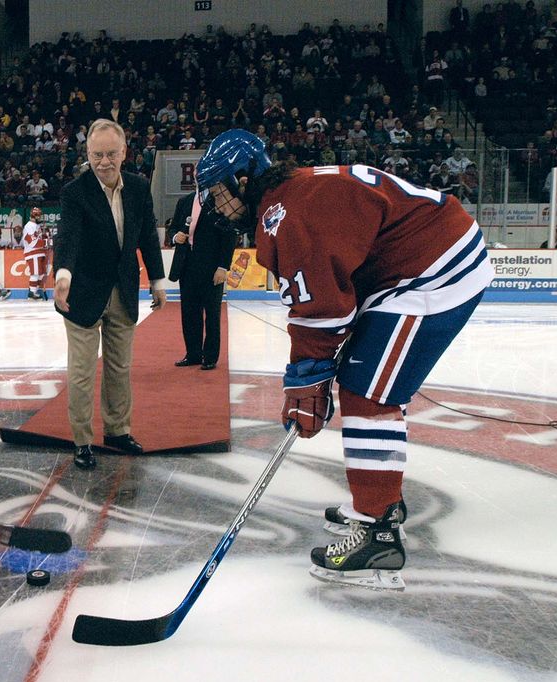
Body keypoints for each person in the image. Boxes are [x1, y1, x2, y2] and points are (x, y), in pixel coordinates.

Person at [194, 129, 492, 589]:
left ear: (242, 180)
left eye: (217, 192)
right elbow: (331, 297)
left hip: (433, 272)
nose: (215, 206)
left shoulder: (286, 215)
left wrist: (307, 381)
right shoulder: (290, 197)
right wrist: (308, 375)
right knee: (363, 381)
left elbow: (324, 310)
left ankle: (378, 535)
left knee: (367, 391)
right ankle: (380, 500)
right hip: (414, 265)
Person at [53, 119, 167, 470]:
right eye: (96, 154)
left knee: (120, 367)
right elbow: (68, 236)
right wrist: (63, 272)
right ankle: (82, 441)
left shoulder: (137, 187)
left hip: (124, 290)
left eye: (110, 154)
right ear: (87, 154)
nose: (103, 162)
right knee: (83, 372)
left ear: (124, 153)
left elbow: (147, 234)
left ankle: (117, 430)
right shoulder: (75, 192)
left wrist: (158, 280)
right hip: (82, 293)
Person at [167, 190, 238, 371]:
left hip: (212, 267)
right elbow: (173, 228)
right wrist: (176, 237)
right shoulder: (185, 201)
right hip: (186, 265)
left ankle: (210, 357)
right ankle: (193, 354)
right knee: (189, 313)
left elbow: (229, 235)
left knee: (212, 314)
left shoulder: (221, 200)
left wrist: (223, 267)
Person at [22, 207, 50, 300]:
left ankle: (33, 291)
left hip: (39, 252)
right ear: (35, 216)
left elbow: (39, 239)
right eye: (39, 216)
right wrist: (46, 242)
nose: (40, 218)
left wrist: (46, 236)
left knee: (41, 274)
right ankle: (32, 293)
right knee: (35, 273)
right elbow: (32, 242)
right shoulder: (29, 226)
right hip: (32, 252)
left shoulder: (36, 226)